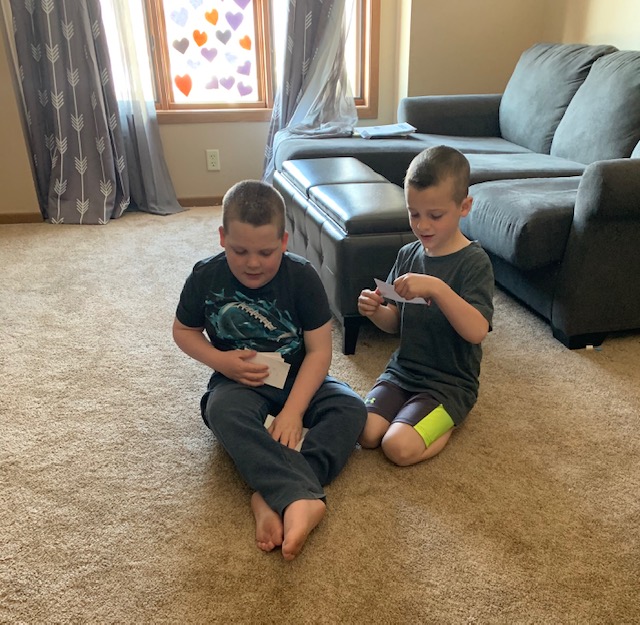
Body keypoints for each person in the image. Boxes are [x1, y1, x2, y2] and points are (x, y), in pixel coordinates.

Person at [173, 180, 366, 561]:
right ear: (222, 237)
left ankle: (271, 493)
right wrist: (220, 360)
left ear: (284, 241)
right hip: (239, 379)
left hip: (299, 375)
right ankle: (299, 494)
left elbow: (318, 352)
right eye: (239, 250)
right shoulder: (205, 277)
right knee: (221, 411)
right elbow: (183, 331)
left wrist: (294, 411)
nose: (252, 263)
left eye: (265, 251)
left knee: (352, 409)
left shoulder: (303, 277)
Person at [357, 146, 494, 466]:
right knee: (365, 433)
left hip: (449, 383)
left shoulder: (474, 262)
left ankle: (448, 420)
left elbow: (477, 331)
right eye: (414, 213)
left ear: (464, 207)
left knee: (397, 447)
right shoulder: (407, 254)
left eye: (435, 215)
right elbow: (395, 323)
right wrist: (376, 311)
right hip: (403, 370)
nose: (423, 225)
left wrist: (438, 288)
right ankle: (410, 416)